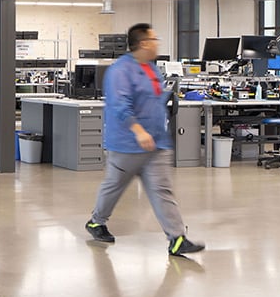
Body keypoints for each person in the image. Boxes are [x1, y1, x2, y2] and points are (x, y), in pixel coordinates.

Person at [85, 23, 204, 256]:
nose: (158, 42)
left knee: (162, 190)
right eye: (155, 38)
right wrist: (138, 131)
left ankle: (177, 238)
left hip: (156, 144)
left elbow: (155, 101)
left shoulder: (151, 68)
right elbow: (120, 105)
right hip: (127, 144)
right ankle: (96, 222)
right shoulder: (120, 70)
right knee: (114, 187)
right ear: (143, 43)